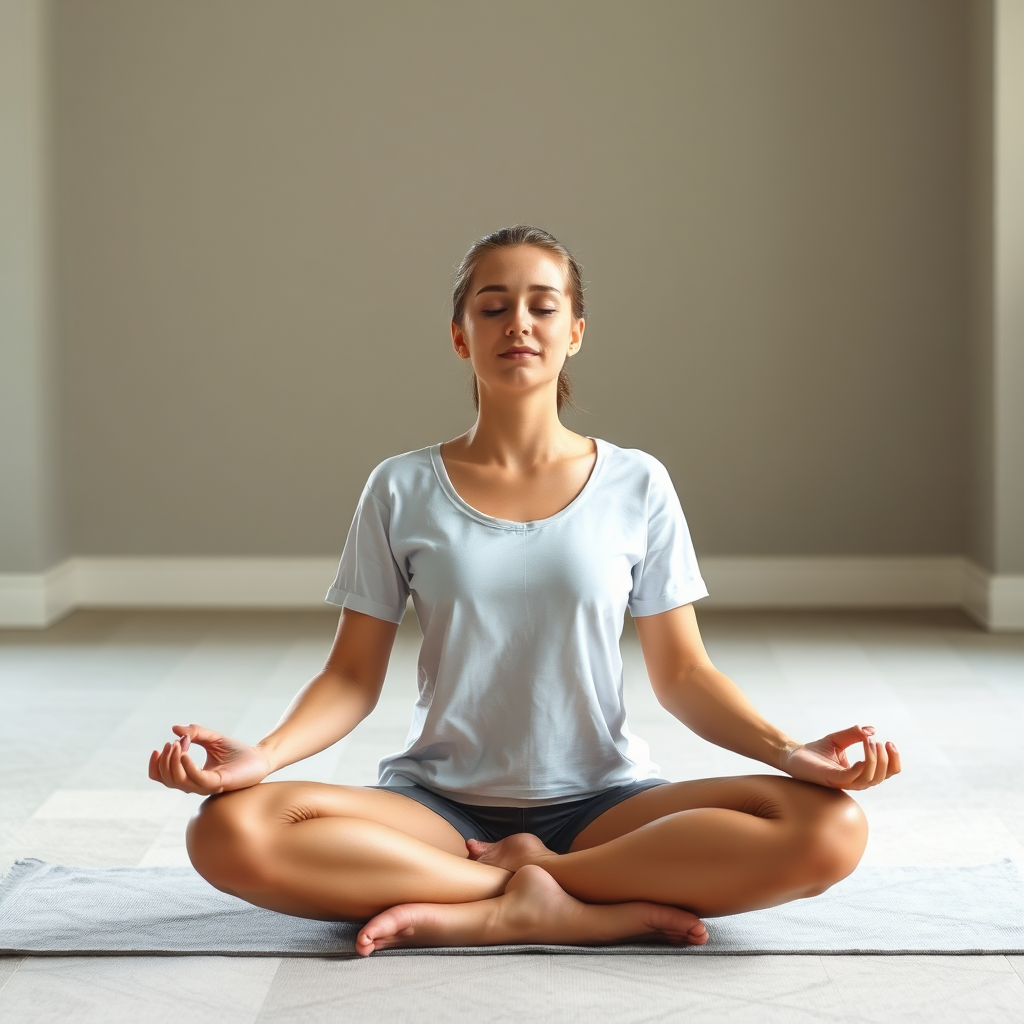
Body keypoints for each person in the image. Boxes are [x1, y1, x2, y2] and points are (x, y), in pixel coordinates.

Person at [149, 225, 900, 955]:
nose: (520, 323)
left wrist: (791, 752)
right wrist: (263, 758)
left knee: (832, 827)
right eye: (493, 305)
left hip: (609, 804)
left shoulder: (638, 482)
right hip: (437, 806)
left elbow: (686, 676)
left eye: (544, 305)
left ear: (575, 330)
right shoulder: (400, 486)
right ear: (459, 335)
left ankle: (517, 892)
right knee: (227, 831)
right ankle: (565, 908)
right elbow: (350, 677)